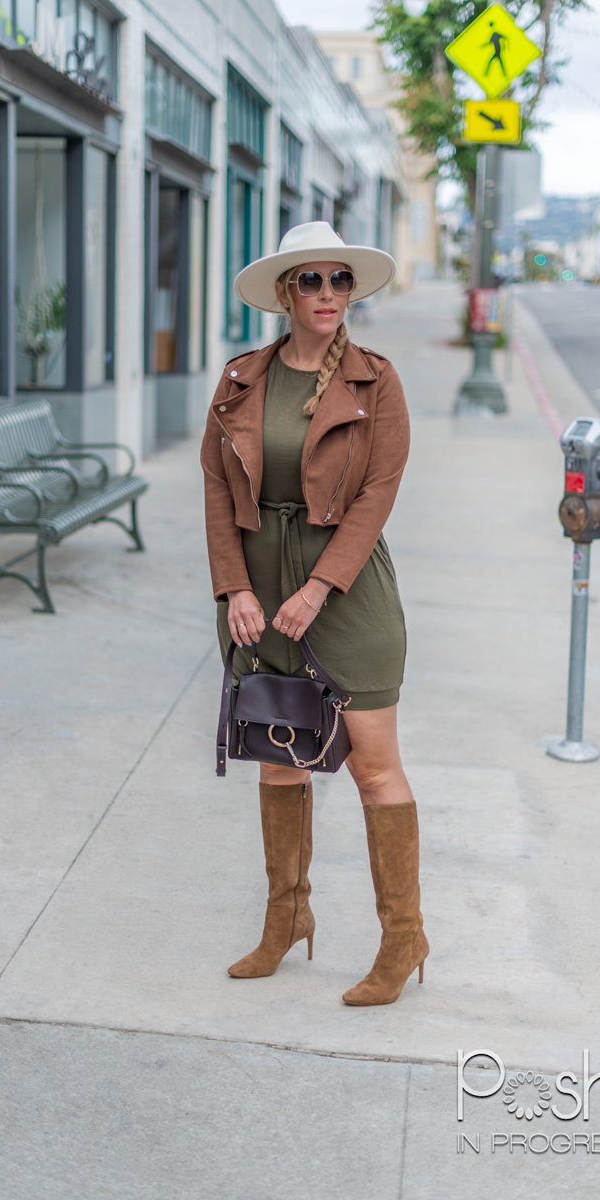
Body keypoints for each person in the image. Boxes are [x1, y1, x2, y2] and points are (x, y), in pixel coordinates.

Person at [200, 221, 428, 1006]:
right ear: (283, 293)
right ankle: (287, 917)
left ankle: (403, 936)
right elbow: (217, 489)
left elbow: (377, 494)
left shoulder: (376, 381)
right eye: (312, 279)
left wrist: (318, 587)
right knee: (278, 753)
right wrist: (235, 587)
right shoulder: (240, 379)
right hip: (258, 592)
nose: (329, 293)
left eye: (341, 279)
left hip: (348, 591)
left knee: (373, 764)